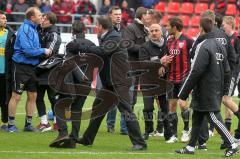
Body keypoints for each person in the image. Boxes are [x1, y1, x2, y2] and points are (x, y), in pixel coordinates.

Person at [76, 16, 147, 151]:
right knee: (98, 108)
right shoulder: (108, 36)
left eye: (97, 25)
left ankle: (140, 143)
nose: (96, 28)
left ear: (101, 26)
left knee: (126, 110)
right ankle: (87, 139)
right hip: (111, 81)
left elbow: (102, 51)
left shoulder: (114, 37)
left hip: (118, 81)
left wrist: (82, 46)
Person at [175, 17, 240, 157]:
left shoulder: (203, 45)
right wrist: (224, 89)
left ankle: (232, 144)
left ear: (201, 28)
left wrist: (183, 93)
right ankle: (191, 147)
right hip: (216, 87)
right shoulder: (219, 45)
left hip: (205, 89)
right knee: (197, 117)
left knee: (213, 117)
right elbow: (228, 70)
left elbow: (196, 71)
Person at [191, 10, 240, 150]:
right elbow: (232, 57)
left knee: (210, 107)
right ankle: (214, 139)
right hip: (224, 75)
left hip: (209, 78)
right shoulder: (224, 36)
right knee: (215, 107)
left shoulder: (205, 36)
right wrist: (227, 72)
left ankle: (206, 141)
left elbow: (193, 54)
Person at [49, 21, 96, 148]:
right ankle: (73, 139)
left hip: (71, 83)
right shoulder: (92, 45)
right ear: (85, 31)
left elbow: (67, 64)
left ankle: (63, 133)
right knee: (77, 110)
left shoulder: (70, 45)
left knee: (59, 106)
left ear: (72, 31)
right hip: (86, 83)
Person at [7, 7, 52, 132]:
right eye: (39, 14)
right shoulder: (25, 29)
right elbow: (28, 51)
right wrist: (44, 50)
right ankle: (11, 125)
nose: (41, 16)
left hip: (32, 67)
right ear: (32, 17)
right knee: (16, 96)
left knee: (33, 95)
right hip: (21, 66)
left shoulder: (34, 29)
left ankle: (28, 125)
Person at [139, 23, 172, 140]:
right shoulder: (144, 46)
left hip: (162, 81)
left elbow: (170, 60)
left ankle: (168, 134)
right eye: (151, 31)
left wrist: (165, 67)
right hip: (147, 81)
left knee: (164, 108)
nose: (153, 33)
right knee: (148, 108)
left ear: (161, 32)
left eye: (156, 30)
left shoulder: (167, 46)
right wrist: (159, 61)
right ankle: (148, 130)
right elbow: (143, 64)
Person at [165, 17, 193, 143]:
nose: (166, 28)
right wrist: (164, 62)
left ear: (174, 27)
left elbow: (196, 56)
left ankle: (186, 130)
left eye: (168, 26)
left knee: (182, 104)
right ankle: (173, 135)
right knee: (171, 105)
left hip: (184, 77)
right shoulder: (169, 41)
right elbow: (166, 57)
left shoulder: (188, 40)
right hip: (171, 78)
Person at [36, 12, 61, 132]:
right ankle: (44, 123)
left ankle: (57, 123)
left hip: (51, 71)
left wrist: (34, 52)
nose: (42, 21)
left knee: (52, 98)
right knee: (38, 97)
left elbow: (49, 52)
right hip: (40, 71)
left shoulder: (54, 34)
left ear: (50, 21)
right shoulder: (41, 31)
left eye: (44, 19)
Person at [105, 6, 128, 135]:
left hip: (122, 68)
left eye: (120, 14)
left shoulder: (124, 31)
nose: (118, 16)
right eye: (116, 14)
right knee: (111, 99)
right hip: (109, 68)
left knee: (125, 98)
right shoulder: (107, 31)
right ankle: (110, 125)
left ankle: (124, 128)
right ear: (110, 15)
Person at [221, 16, 240, 134]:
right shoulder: (224, 38)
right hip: (224, 72)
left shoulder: (237, 38)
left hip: (233, 72)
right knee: (225, 99)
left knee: (226, 99)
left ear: (230, 24)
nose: (222, 27)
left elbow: (237, 56)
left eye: (224, 25)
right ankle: (227, 127)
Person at [0, 10, 15, 131]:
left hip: (5, 72)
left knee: (5, 98)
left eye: (5, 18)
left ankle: (4, 123)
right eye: (3, 18)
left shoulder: (10, 33)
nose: (5, 20)